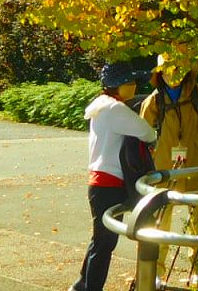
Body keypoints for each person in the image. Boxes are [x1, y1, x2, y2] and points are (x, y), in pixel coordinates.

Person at [139, 57, 198, 273]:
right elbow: (141, 132)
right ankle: (156, 272)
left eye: (178, 69)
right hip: (166, 163)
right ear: (160, 73)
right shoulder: (154, 100)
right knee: (161, 217)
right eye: (168, 70)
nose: (173, 75)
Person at [72, 61, 157, 291]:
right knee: (105, 243)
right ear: (118, 86)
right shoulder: (116, 109)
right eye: (129, 82)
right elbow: (146, 132)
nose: (133, 86)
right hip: (111, 182)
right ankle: (92, 288)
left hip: (98, 181)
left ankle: (82, 284)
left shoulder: (100, 105)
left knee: (99, 239)